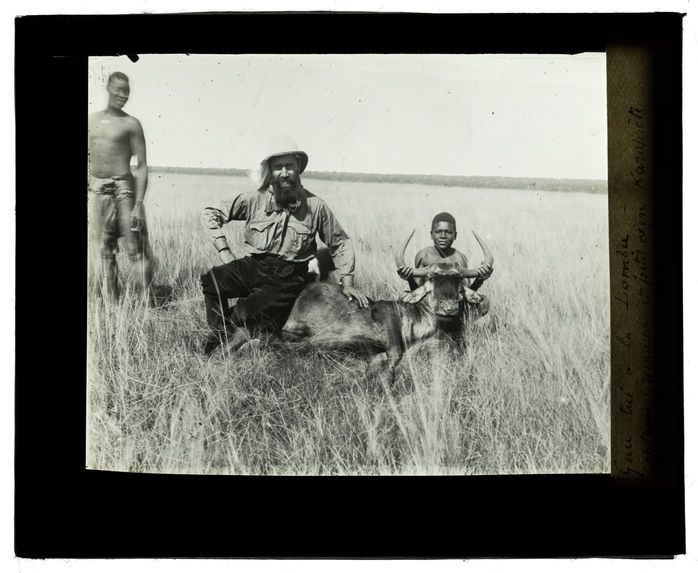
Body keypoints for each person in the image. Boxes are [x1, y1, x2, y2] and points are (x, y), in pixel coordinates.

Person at [200, 135, 369, 356]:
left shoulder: (316, 207)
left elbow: (340, 242)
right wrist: (224, 250)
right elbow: (210, 213)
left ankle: (219, 343)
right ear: (269, 171)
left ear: (298, 167)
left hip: (288, 278)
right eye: (278, 167)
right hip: (255, 265)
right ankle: (221, 335)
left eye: (290, 166)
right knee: (212, 281)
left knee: (245, 310)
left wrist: (347, 282)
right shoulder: (253, 200)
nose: (284, 172)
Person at [88, 71, 153, 300]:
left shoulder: (131, 124)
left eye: (126, 92)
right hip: (97, 190)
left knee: (135, 247)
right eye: (119, 90)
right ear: (108, 87)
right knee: (106, 249)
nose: (122, 95)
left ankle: (147, 306)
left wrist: (138, 204)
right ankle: (112, 305)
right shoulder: (92, 121)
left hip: (124, 189)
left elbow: (142, 165)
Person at [397, 212, 493, 338]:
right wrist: (409, 277)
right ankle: (426, 330)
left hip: (453, 307)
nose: (443, 236)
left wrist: (480, 279)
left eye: (448, 232)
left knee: (483, 303)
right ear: (431, 234)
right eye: (438, 231)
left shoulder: (459, 258)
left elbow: (465, 293)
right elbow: (417, 292)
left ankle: (458, 328)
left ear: (455, 235)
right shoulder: (423, 256)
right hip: (429, 308)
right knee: (403, 297)